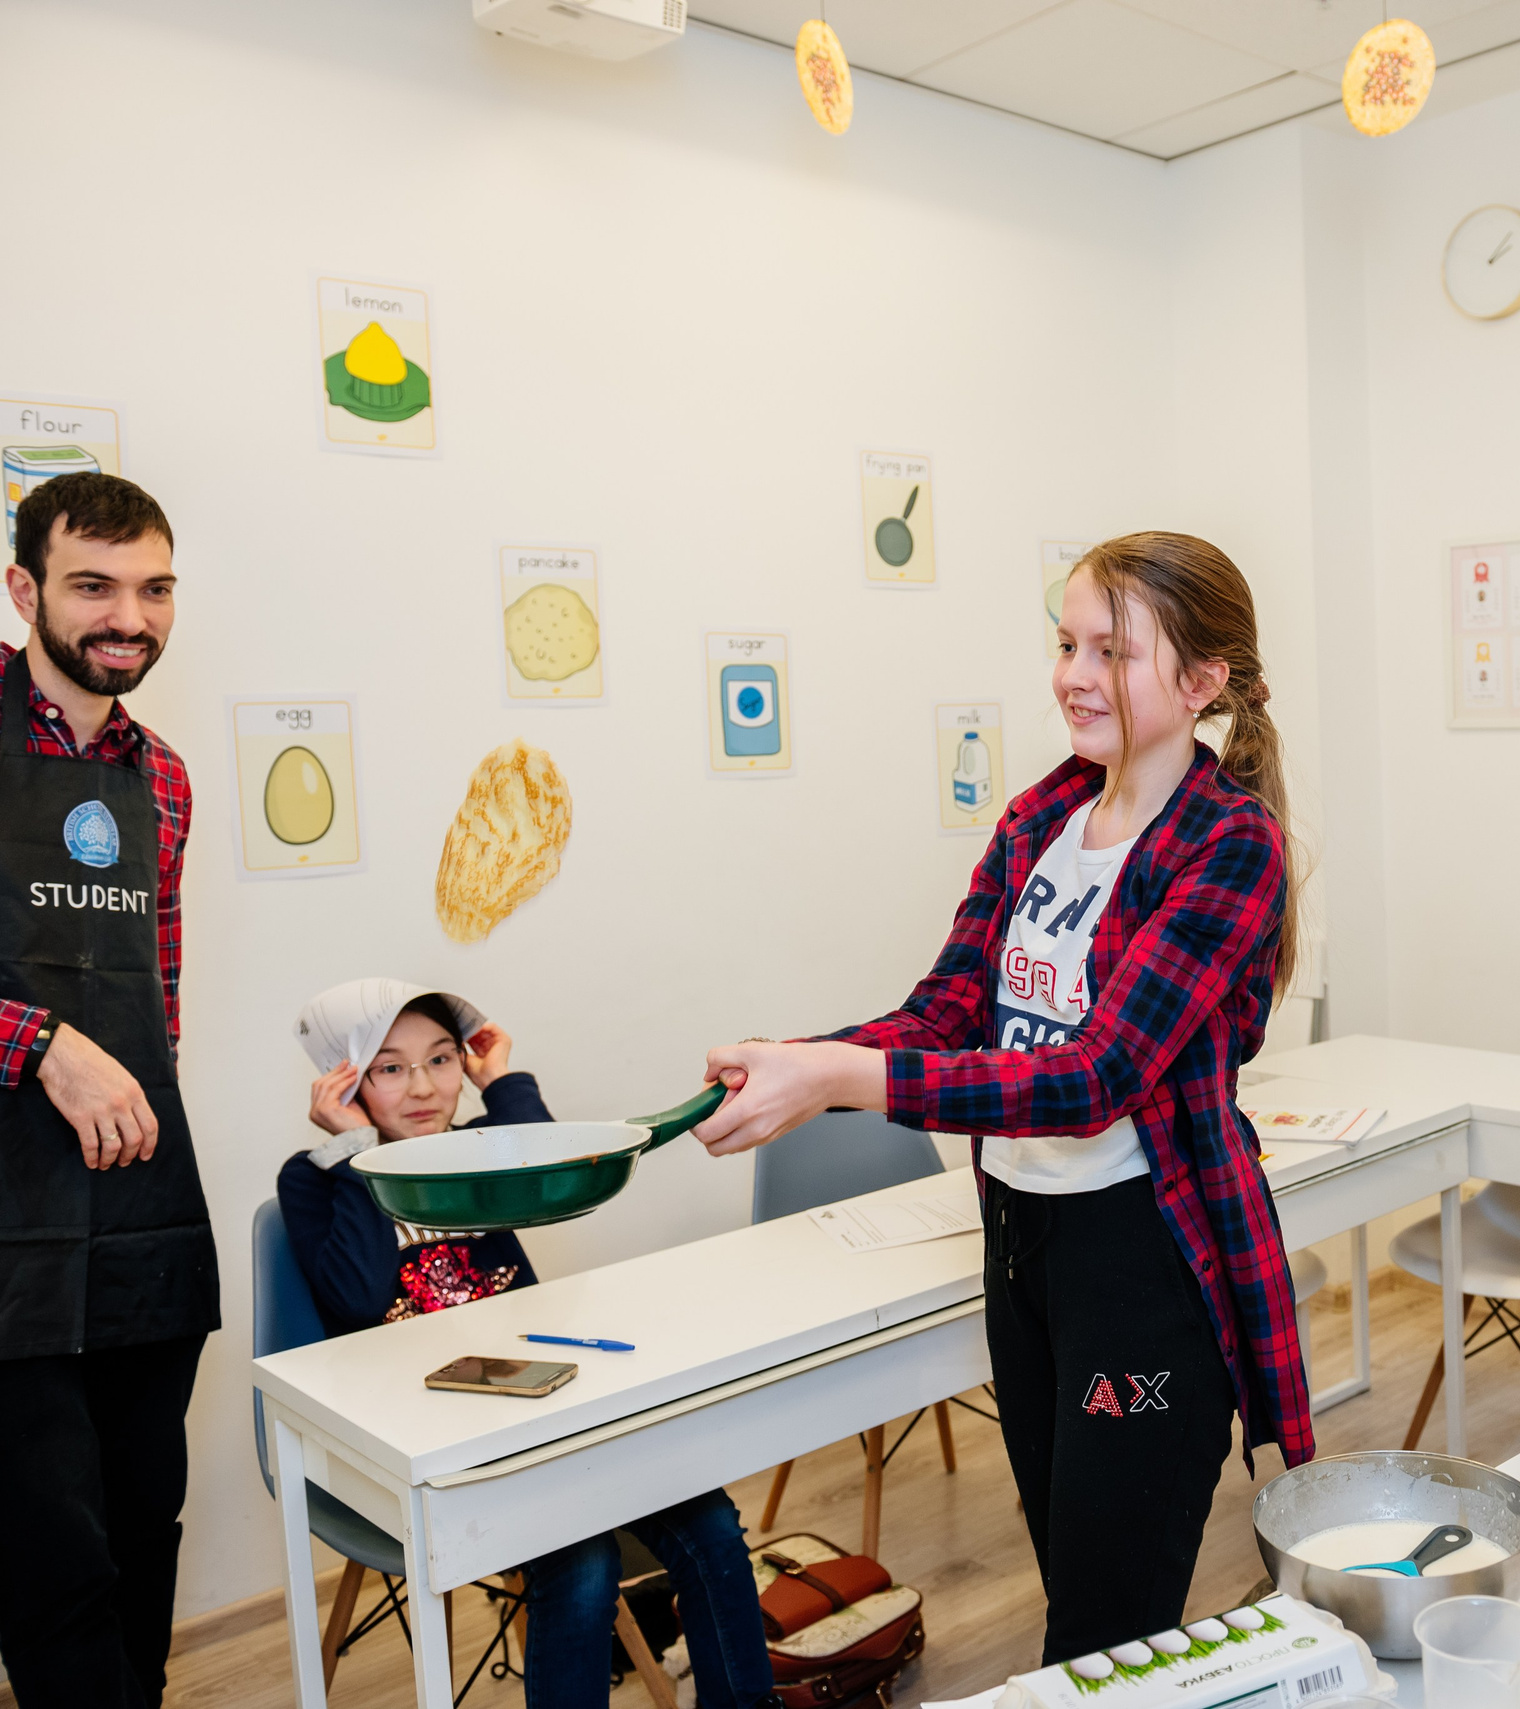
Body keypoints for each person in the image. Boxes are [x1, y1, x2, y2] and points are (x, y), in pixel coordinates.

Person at [688, 532, 1310, 1662]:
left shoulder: (1230, 845)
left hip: (1145, 1263)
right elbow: (942, 1014)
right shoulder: (1038, 821)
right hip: (1022, 1237)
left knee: (1105, 1621)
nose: (1072, 672)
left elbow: (1094, 1077)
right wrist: (799, 1057)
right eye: (1067, 642)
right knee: (1071, 1567)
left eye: (1111, 649)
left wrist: (842, 1078)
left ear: (1202, 681)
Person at [0, 471, 217, 1708]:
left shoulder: (166, 776)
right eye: (93, 585)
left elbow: (154, 994)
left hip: (136, 1218)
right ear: (25, 588)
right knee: (50, 1562)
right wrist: (37, 1043)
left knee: (145, 1540)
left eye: (154, 587)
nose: (127, 615)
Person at [282, 980, 780, 1709]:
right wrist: (358, 1150)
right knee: (580, 1560)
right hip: (426, 1437)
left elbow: (554, 1176)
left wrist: (502, 1074)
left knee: (708, 1521)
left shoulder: (477, 1153)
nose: (424, 1086)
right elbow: (355, 1297)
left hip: (537, 1402)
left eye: (442, 1058)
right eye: (389, 1067)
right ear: (344, 1078)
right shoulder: (316, 1178)